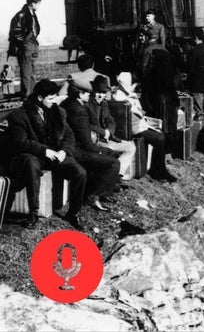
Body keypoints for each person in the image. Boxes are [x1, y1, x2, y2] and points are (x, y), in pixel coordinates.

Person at [5, 79, 87, 229]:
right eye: (51, 98)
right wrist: (44, 151)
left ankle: (73, 213)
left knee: (80, 172)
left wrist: (64, 151)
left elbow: (69, 136)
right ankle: (33, 212)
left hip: (55, 155)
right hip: (33, 155)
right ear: (40, 98)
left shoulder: (58, 112)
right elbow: (21, 142)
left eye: (55, 97)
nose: (54, 101)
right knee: (31, 164)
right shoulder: (19, 116)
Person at [61, 81, 121, 211]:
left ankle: (103, 193)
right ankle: (91, 196)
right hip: (75, 150)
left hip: (71, 146)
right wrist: (101, 150)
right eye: (87, 92)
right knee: (113, 162)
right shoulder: (79, 111)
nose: (89, 95)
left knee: (109, 153)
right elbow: (87, 144)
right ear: (79, 94)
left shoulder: (68, 103)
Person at [113, 72, 177, 183]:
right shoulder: (120, 96)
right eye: (133, 84)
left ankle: (159, 169)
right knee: (160, 138)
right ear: (127, 83)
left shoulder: (125, 94)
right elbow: (138, 113)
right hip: (133, 129)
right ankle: (158, 171)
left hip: (137, 125)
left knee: (160, 134)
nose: (134, 87)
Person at [87, 75, 136, 180]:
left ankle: (118, 175)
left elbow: (111, 120)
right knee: (109, 150)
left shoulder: (104, 104)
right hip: (93, 140)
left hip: (106, 138)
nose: (101, 96)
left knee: (130, 147)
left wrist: (109, 131)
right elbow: (86, 125)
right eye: (98, 92)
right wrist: (102, 132)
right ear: (93, 91)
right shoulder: (87, 104)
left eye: (103, 93)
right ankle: (110, 178)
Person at [140, 48, 182, 152]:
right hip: (170, 102)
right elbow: (179, 86)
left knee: (158, 127)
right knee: (170, 126)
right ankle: (169, 150)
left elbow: (146, 90)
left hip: (156, 103)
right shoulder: (173, 71)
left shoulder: (151, 72)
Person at [186, 28, 204, 148]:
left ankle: (200, 141)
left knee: (199, 112)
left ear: (195, 38)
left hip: (197, 86)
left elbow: (190, 70)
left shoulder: (193, 51)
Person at [8, 0, 41, 98]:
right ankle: (27, 94)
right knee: (26, 71)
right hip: (27, 45)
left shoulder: (32, 14)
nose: (38, 6)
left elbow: (35, 29)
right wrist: (23, 43)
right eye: (38, 4)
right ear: (32, 4)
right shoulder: (21, 15)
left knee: (32, 71)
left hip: (33, 44)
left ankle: (32, 93)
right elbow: (16, 31)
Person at [139, 10, 167, 76]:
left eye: (149, 16)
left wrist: (163, 48)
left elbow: (163, 38)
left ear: (153, 16)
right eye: (146, 16)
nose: (147, 18)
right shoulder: (145, 27)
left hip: (157, 45)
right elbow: (142, 38)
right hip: (148, 45)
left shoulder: (160, 26)